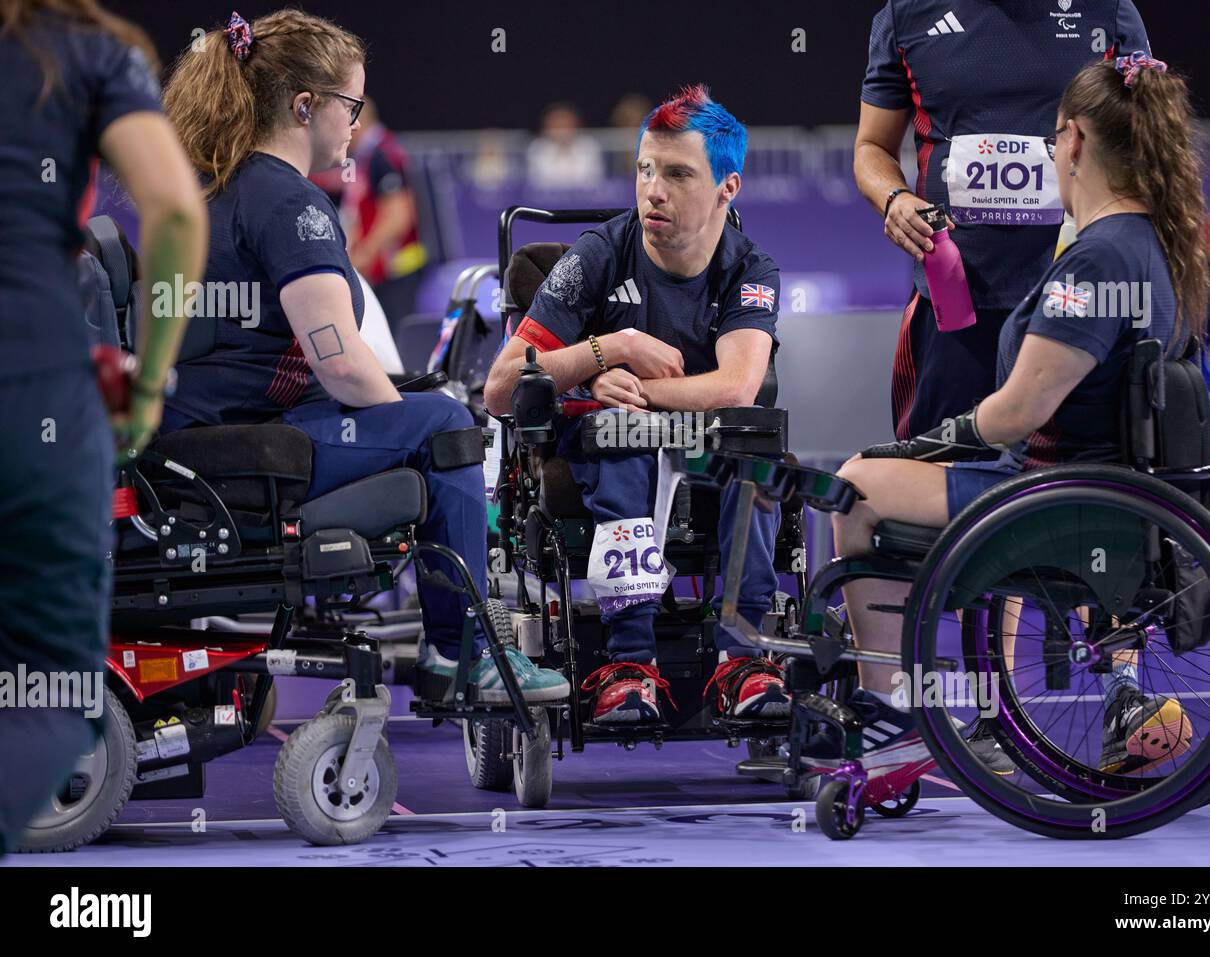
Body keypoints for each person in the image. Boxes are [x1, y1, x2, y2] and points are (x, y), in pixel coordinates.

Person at [821, 53, 1210, 794]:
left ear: (1070, 142)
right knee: (880, 474)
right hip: (1095, 493)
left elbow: (1016, 413)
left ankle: (891, 710)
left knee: (853, 487)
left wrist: (923, 443)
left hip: (1058, 505)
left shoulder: (1096, 260)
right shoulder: (1149, 246)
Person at [158, 9, 567, 702]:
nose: (355, 124)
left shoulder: (225, 187)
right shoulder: (290, 203)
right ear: (304, 105)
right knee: (445, 424)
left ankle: (453, 644)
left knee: (424, 410)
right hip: (242, 448)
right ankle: (463, 654)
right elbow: (340, 363)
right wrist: (433, 439)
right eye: (350, 106)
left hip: (212, 432)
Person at [485, 85, 788, 724]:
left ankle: (744, 661)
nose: (653, 190)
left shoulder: (751, 267)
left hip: (709, 454)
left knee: (755, 446)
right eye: (645, 169)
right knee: (622, 436)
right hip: (613, 452)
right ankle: (629, 662)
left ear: (728, 188)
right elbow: (501, 388)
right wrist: (606, 350)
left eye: (678, 174)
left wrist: (637, 388)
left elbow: (735, 388)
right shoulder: (597, 254)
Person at [0, 0, 207, 852]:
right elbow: (176, 212)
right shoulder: (83, 53)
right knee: (50, 693)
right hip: (33, 389)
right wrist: (150, 379)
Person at [336, 97, 429, 330]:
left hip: (399, 272)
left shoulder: (383, 153)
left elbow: (399, 215)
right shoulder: (367, 154)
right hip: (386, 272)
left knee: (397, 343)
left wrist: (365, 254)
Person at [525, 102, 604, 190]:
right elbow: (539, 180)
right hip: (547, 197)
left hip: (584, 197)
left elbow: (591, 178)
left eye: (565, 125)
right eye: (557, 126)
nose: (562, 131)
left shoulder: (588, 145)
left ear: (576, 125)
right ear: (546, 127)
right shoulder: (537, 147)